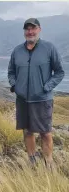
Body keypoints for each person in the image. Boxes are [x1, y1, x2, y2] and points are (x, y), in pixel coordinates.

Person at [8, 18, 65, 167]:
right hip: (22, 100)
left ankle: (48, 162)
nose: (30, 32)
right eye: (27, 29)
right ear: (24, 32)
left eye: (33, 28)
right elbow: (11, 72)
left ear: (39, 29)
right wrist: (15, 86)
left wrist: (46, 87)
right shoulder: (17, 51)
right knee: (27, 131)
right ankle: (32, 160)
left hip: (42, 99)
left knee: (45, 132)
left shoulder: (49, 48)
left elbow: (59, 72)